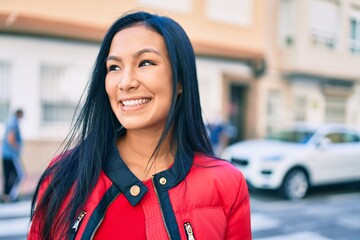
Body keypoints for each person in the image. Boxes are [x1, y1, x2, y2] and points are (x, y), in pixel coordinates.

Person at [28, 11, 251, 239]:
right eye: (114, 67)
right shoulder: (62, 175)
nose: (125, 83)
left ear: (181, 81)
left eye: (145, 63)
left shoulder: (226, 183)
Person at [1, 109, 24, 203]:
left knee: (8, 175)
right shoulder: (13, 123)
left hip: (6, 154)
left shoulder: (10, 122)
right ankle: (11, 196)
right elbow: (10, 139)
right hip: (11, 155)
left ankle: (6, 196)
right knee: (19, 175)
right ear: (19, 114)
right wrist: (18, 148)